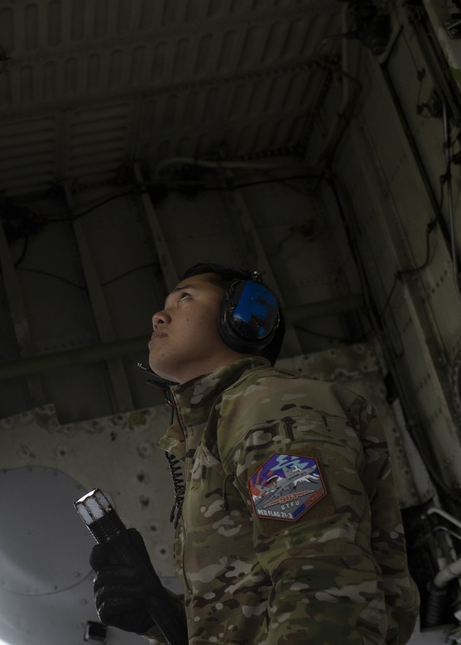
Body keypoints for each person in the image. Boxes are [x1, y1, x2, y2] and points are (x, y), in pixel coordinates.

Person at [90, 263, 420, 644]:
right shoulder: (219, 426)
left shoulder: (270, 408)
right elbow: (246, 613)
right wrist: (155, 612)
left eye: (185, 298)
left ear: (246, 316)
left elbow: (323, 580)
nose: (159, 315)